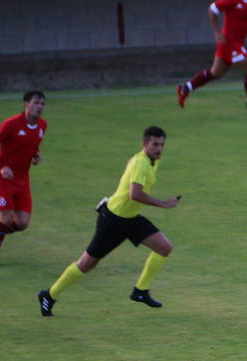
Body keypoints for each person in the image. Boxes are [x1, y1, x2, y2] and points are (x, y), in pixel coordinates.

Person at [38, 126, 179, 317]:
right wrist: (163, 204)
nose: (159, 149)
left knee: (164, 247)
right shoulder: (141, 162)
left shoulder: (152, 161)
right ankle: (49, 295)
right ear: (145, 144)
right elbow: (134, 194)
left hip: (130, 219)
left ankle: (140, 291)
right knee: (87, 263)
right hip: (114, 220)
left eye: (162, 145)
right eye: (155, 144)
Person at [176, 0, 247, 116]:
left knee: (215, 72)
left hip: (236, 44)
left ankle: (185, 88)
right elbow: (212, 9)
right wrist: (217, 32)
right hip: (228, 42)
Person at [0, 90, 47, 268]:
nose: (40, 107)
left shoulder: (42, 126)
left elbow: (32, 144)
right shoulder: (11, 124)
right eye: (36, 103)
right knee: (6, 219)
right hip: (3, 178)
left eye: (42, 104)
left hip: (22, 180)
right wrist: (2, 167)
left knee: (22, 223)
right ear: (26, 104)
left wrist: (36, 155)